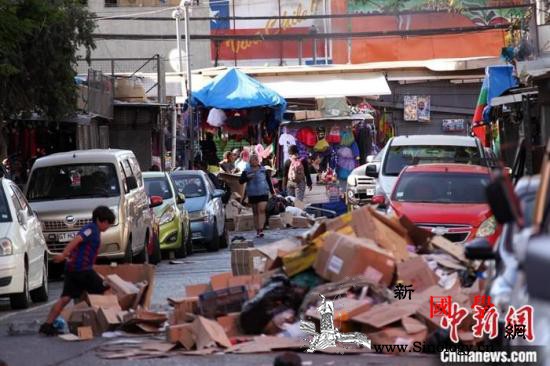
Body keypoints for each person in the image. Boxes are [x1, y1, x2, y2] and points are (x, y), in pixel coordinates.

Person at [39, 206, 116, 336]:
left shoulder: (93, 230)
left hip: (73, 269)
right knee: (106, 289)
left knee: (65, 298)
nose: (108, 226)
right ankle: (112, 320)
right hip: (82, 270)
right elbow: (76, 240)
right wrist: (63, 254)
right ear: (100, 220)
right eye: (107, 223)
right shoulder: (91, 229)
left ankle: (47, 325)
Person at [239, 154, 275, 238]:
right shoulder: (246, 170)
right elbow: (240, 181)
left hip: (263, 193)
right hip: (252, 194)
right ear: (250, 161)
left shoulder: (263, 169)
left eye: (256, 159)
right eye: (252, 160)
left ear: (258, 161)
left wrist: (272, 192)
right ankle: (257, 230)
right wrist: (247, 178)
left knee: (261, 210)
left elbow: (268, 181)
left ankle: (261, 229)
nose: (254, 161)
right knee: (255, 212)